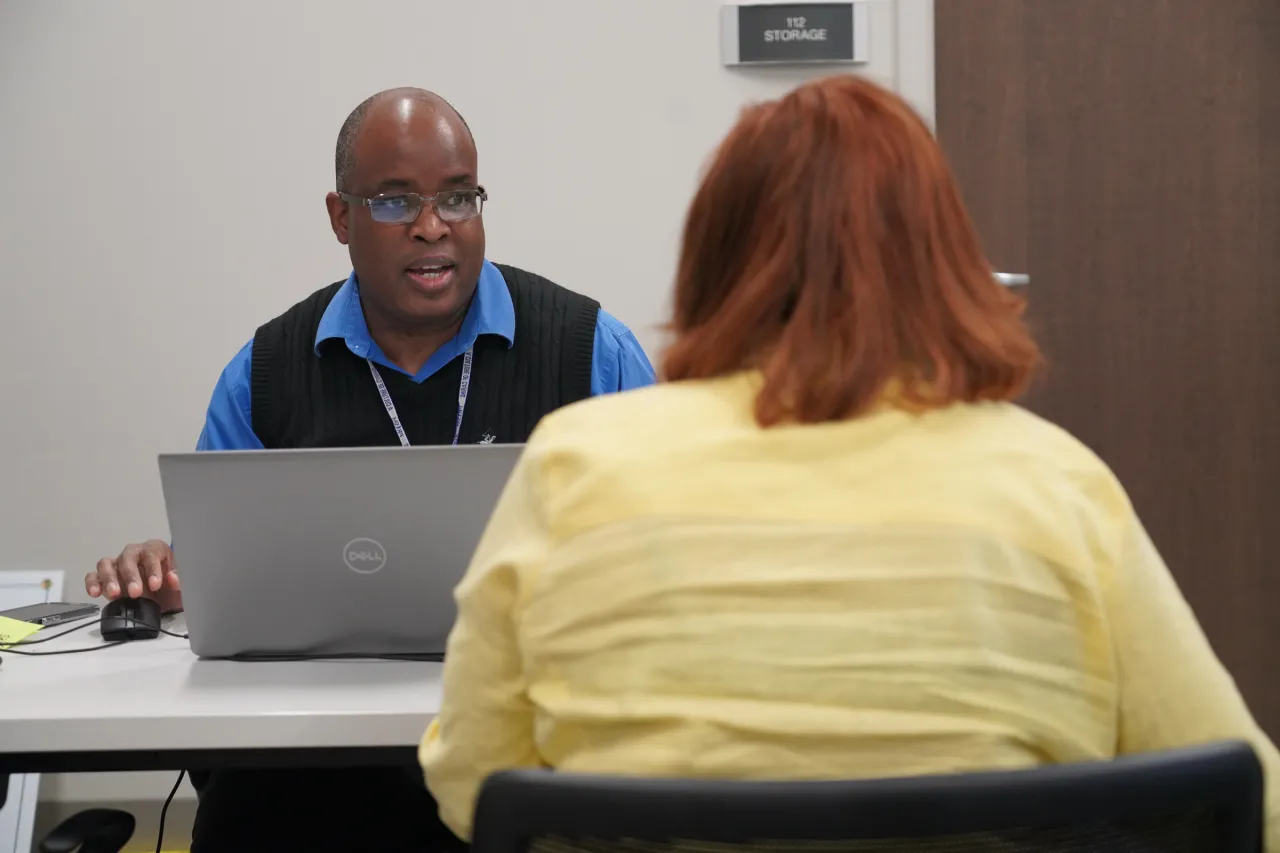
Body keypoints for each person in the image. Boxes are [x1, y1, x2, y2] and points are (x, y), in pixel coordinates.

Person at [419, 73, 1280, 848]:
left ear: (715, 258)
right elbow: (1245, 800)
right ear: (941, 261)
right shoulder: (1056, 482)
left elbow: (472, 782)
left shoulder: (576, 464)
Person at [85, 88, 654, 851]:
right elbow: (218, 568)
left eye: (458, 196)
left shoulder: (590, 350)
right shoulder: (267, 369)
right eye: (394, 202)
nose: (432, 226)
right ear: (340, 217)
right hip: (304, 763)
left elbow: (669, 546)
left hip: (525, 744)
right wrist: (170, 571)